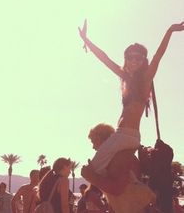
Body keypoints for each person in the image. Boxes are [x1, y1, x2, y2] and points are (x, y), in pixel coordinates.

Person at [78, 20, 184, 175]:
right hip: (121, 134)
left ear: (144, 61)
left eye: (138, 58)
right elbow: (105, 58)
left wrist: (170, 30)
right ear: (125, 60)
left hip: (126, 135)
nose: (134, 61)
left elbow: (158, 54)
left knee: (91, 170)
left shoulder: (146, 78)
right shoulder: (125, 78)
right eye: (130, 57)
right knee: (110, 171)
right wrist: (86, 40)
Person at [81, 123, 157, 213]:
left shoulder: (120, 157)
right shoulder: (115, 158)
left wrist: (91, 176)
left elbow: (117, 189)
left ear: (100, 138)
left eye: (93, 142)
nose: (93, 147)